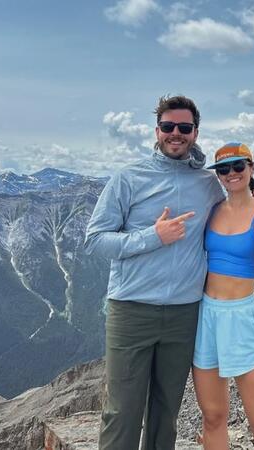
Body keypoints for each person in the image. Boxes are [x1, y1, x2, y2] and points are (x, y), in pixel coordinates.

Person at [84, 95, 224, 450]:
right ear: (156, 130)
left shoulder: (208, 185)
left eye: (184, 127)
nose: (175, 133)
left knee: (167, 411)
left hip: (184, 313)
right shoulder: (128, 178)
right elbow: (95, 240)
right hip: (131, 309)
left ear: (195, 132)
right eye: (168, 127)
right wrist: (153, 237)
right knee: (122, 411)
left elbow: (232, 220)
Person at [193, 142, 254, 449]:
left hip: (242, 318)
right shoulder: (213, 211)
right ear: (218, 175)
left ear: (251, 168)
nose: (231, 174)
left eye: (238, 166)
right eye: (224, 169)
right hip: (206, 317)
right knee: (212, 417)